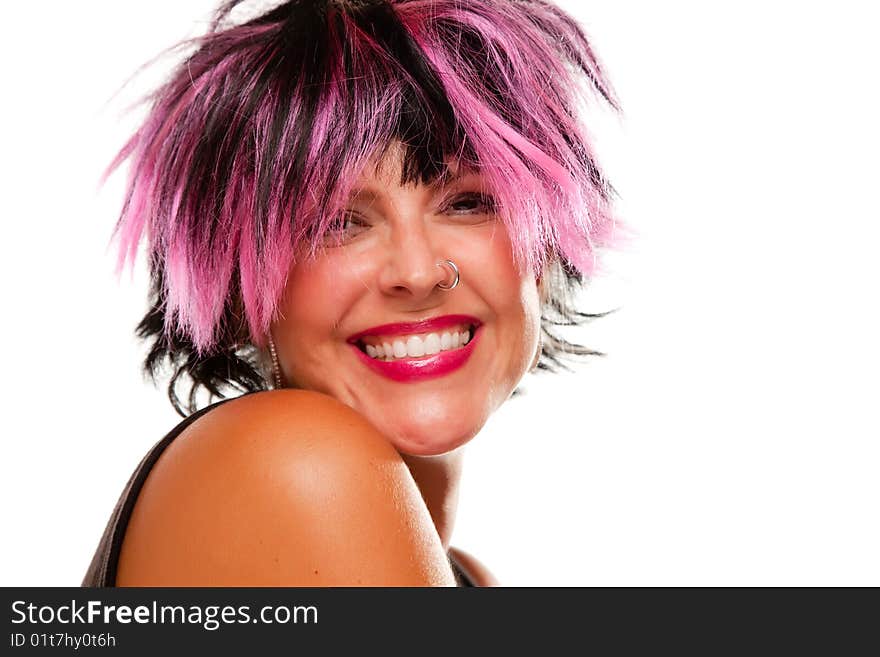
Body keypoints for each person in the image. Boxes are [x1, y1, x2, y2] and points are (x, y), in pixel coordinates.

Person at [83, 0, 620, 587]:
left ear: (540, 250)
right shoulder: (298, 463)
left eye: (467, 203)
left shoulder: (468, 577)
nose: (418, 273)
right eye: (335, 223)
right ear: (234, 287)